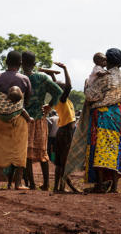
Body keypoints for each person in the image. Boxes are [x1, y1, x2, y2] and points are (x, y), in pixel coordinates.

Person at [64, 48, 121, 193]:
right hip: (117, 114)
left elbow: (90, 96)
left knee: (99, 148)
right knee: (115, 149)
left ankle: (100, 184)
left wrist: (86, 85)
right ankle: (114, 186)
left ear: (108, 61)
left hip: (102, 115)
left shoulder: (103, 77)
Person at [0, 51, 32, 190]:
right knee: (19, 150)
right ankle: (18, 184)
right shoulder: (24, 79)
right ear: (20, 64)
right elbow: (28, 100)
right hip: (18, 119)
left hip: (0, 119)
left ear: (6, 62)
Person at [22, 51, 63, 191]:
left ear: (21, 63)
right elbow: (58, 91)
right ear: (34, 64)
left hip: (24, 119)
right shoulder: (41, 78)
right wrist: (50, 105)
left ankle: (31, 184)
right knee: (42, 152)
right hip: (40, 118)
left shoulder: (20, 78)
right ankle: (46, 184)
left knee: (26, 152)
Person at [43, 62, 78, 192]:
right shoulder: (62, 99)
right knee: (63, 161)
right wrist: (65, 68)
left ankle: (59, 186)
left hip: (62, 131)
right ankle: (61, 187)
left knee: (60, 162)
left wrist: (52, 76)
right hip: (66, 132)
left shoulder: (59, 99)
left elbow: (57, 87)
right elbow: (68, 86)